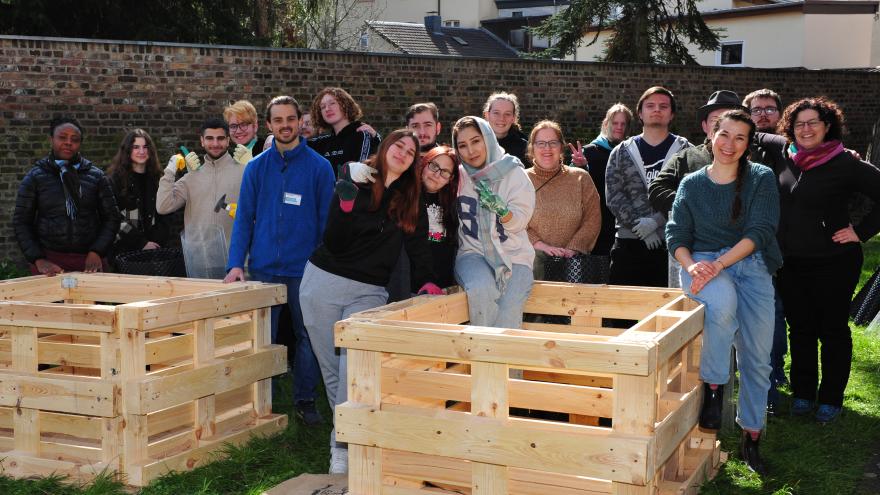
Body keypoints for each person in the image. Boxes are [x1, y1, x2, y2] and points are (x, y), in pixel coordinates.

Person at [300, 129, 440, 474]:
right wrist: (346, 201)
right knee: (332, 374)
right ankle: (345, 440)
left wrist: (428, 280)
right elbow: (333, 240)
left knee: (354, 374)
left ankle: (344, 449)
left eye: (411, 151)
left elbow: (418, 245)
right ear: (386, 147)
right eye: (399, 145)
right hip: (323, 282)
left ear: (413, 162)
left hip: (369, 293)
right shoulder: (356, 179)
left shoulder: (410, 198)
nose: (404, 153)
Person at [666, 109, 782, 475]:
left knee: (758, 357)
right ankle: (714, 388)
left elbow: (760, 231)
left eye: (740, 138)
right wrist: (693, 266)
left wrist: (721, 264)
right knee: (723, 305)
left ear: (748, 145)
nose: (730, 144)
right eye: (724, 135)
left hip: (750, 263)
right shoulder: (691, 183)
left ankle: (752, 435)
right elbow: (676, 235)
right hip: (699, 262)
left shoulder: (761, 178)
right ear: (711, 135)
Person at [224, 96, 335, 427]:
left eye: (291, 119)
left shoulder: (319, 167)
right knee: (261, 339)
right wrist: (235, 264)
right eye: (278, 120)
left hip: (305, 270)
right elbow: (244, 218)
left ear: (300, 122)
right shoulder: (256, 168)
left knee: (308, 337)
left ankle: (304, 398)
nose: (285, 125)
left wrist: (323, 266)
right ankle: (261, 399)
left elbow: (326, 223)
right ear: (269, 125)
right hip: (264, 269)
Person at [773, 97, 880, 423]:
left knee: (832, 330)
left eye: (813, 123)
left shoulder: (845, 163)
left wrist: (860, 232)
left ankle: (831, 397)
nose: (805, 129)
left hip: (834, 261)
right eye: (799, 124)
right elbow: (758, 134)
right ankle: (804, 394)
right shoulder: (785, 158)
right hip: (791, 262)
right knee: (801, 329)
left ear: (827, 127)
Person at [453, 116, 535, 329]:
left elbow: (519, 222)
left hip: (514, 255)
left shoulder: (514, 172)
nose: (471, 151)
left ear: (488, 138)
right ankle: (484, 357)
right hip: (473, 253)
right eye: (462, 145)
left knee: (508, 308)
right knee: (482, 290)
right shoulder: (457, 177)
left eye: (476, 141)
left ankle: (506, 361)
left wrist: (502, 210)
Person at [605, 86, 690, 288]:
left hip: (672, 244)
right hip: (628, 244)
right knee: (623, 312)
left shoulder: (686, 151)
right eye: (650, 105)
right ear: (640, 113)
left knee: (667, 312)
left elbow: (687, 195)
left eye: (663, 106)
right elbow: (614, 196)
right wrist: (639, 226)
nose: (656, 110)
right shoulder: (621, 152)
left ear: (672, 114)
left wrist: (656, 222)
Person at [13, 117, 119, 275]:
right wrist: (38, 259)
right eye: (62, 137)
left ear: (80, 143)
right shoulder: (36, 176)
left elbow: (112, 217)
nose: (69, 142)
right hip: (49, 260)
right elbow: (21, 221)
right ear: (51, 139)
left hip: (89, 260)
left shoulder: (96, 177)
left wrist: (97, 251)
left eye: (74, 139)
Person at [648, 90, 747, 214]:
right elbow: (657, 189)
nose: (723, 127)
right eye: (715, 120)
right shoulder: (685, 157)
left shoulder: (755, 159)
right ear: (704, 126)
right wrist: (691, 207)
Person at [525, 120, 601, 283]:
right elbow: (511, 220)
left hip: (573, 264)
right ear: (532, 148)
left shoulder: (581, 178)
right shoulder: (520, 180)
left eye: (553, 142)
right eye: (541, 143)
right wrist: (540, 246)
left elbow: (592, 218)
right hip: (530, 265)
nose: (547, 148)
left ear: (561, 147)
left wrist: (573, 248)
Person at [572, 103, 633, 282]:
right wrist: (582, 166)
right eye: (615, 123)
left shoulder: (632, 152)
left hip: (622, 224)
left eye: (623, 124)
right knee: (595, 278)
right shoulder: (590, 151)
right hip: (596, 224)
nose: (619, 128)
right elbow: (574, 184)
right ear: (607, 123)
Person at [106, 129, 171, 258]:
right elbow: (114, 217)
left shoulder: (159, 179)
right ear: (127, 150)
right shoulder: (114, 180)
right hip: (124, 252)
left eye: (145, 147)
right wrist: (141, 243)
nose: (141, 151)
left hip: (155, 251)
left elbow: (166, 214)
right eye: (136, 147)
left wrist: (155, 242)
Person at [308, 87, 380, 175]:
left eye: (332, 103)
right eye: (322, 107)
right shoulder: (320, 142)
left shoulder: (361, 135)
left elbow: (363, 174)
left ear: (345, 104)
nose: (327, 109)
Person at [420, 145, 459, 289]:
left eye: (445, 172)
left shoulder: (453, 206)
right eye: (434, 166)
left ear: (451, 178)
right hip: (408, 288)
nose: (436, 175)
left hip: (443, 288)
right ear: (425, 163)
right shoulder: (406, 197)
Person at [483, 92, 528, 164]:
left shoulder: (525, 149)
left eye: (507, 114)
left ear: (513, 118)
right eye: (496, 113)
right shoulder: (475, 143)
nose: (501, 118)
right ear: (487, 115)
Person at [224, 100, 261, 165]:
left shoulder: (266, 151)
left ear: (255, 127)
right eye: (233, 126)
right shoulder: (235, 156)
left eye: (243, 125)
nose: (238, 131)